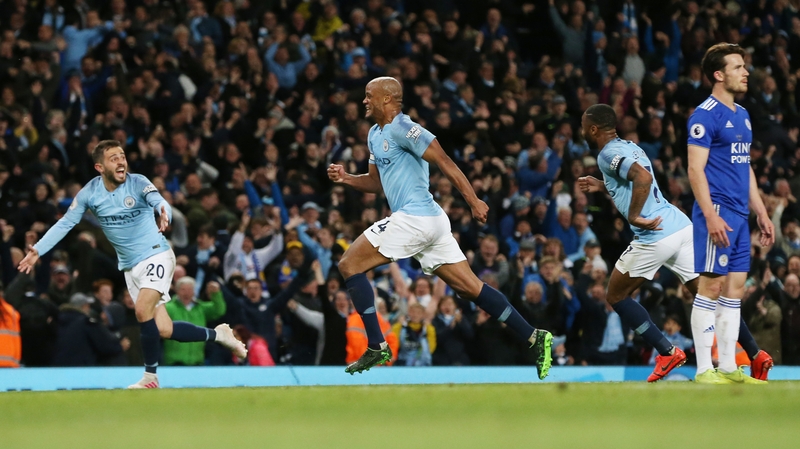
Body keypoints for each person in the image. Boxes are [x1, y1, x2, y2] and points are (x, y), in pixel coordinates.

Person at [328, 77, 553, 379]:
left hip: (414, 219)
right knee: (470, 288)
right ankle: (534, 336)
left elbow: (444, 160)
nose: (364, 101)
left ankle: (377, 344)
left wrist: (473, 200)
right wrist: (347, 179)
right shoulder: (374, 134)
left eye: (370, 96)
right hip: (429, 223)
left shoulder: (405, 127)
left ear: (387, 99)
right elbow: (376, 182)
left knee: (349, 263)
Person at [18, 140, 246, 388]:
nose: (121, 161)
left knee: (141, 310)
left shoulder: (138, 182)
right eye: (113, 158)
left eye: (122, 156)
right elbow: (65, 224)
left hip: (156, 255)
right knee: (163, 328)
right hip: (130, 267)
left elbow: (158, 199)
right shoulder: (89, 194)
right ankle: (219, 334)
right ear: (99, 166)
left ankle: (150, 377)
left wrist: (163, 210)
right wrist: (37, 250)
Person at [578, 103, 772, 383]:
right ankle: (756, 355)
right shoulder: (630, 147)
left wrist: (635, 216)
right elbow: (638, 180)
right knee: (710, 297)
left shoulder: (606, 153)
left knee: (616, 296)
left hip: (655, 234)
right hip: (681, 228)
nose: (582, 130)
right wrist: (601, 184)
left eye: (584, 126)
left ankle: (666, 351)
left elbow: (642, 178)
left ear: (593, 128)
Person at [686, 43, 775, 383]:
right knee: (709, 288)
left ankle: (727, 367)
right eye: (738, 67)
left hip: (740, 214)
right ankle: (703, 369)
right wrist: (709, 215)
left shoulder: (742, 115)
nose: (746, 72)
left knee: (734, 290)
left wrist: (762, 213)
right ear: (719, 75)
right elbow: (696, 170)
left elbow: (745, 168)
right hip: (718, 212)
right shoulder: (705, 115)